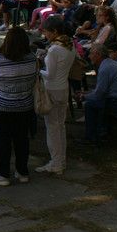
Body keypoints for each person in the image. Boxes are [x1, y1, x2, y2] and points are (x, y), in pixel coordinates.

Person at [0, 27, 38, 186]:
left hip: (1, 106)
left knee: (3, 140)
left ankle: (3, 174)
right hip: (25, 105)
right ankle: (22, 171)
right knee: (22, 139)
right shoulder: (32, 60)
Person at [37, 16, 75, 174]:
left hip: (52, 89)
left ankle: (56, 162)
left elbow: (50, 74)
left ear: (54, 31)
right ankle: (61, 159)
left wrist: (38, 69)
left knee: (52, 128)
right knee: (60, 126)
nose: (45, 34)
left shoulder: (54, 50)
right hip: (63, 88)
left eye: (46, 31)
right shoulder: (70, 45)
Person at [80, 44, 117, 145]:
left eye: (91, 54)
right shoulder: (110, 63)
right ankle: (101, 132)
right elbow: (102, 90)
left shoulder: (105, 68)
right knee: (96, 101)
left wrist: (84, 96)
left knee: (90, 105)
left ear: (98, 55)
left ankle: (92, 137)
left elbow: (99, 95)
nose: (89, 56)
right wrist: (89, 94)